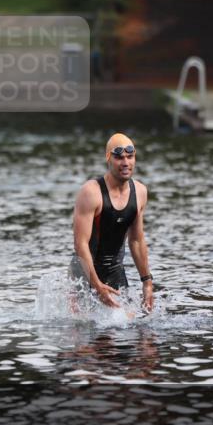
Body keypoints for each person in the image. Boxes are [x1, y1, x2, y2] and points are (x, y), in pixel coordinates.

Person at [70, 133, 154, 311]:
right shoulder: (91, 192)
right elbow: (80, 244)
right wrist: (97, 285)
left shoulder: (139, 191)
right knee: (82, 332)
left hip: (115, 271)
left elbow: (137, 240)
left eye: (130, 157)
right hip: (84, 273)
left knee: (130, 330)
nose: (125, 162)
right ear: (108, 159)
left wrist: (147, 283)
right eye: (119, 157)